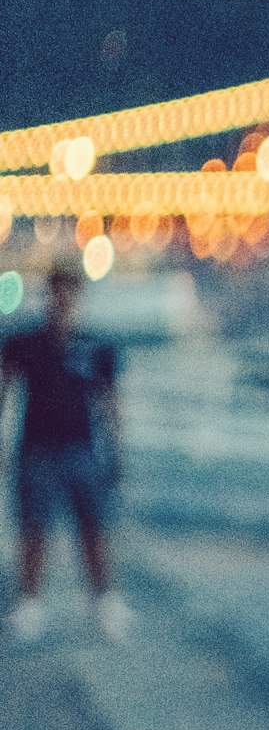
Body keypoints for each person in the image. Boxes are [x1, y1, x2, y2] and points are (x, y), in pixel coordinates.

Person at [5, 261, 129, 643]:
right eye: (58, 290)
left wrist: (118, 451)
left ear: (79, 295)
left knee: (93, 529)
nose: (63, 298)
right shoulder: (25, 343)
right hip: (36, 451)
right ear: (50, 294)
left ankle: (104, 602)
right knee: (33, 531)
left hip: (82, 451)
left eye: (70, 291)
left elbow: (110, 403)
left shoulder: (95, 345)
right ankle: (29, 604)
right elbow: (4, 389)